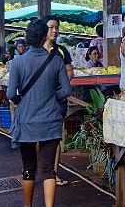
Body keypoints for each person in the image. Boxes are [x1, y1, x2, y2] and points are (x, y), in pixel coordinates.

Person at [7, 20, 73, 207]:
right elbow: (67, 90)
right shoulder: (56, 60)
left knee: (28, 169)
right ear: (45, 36)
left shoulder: (18, 62)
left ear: (27, 39)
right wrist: (52, 96)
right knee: (47, 171)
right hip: (50, 120)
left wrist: (23, 100)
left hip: (26, 120)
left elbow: (12, 94)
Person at [41, 15, 73, 187]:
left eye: (57, 27)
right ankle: (42, 171)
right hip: (39, 101)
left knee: (55, 136)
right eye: (51, 27)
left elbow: (70, 72)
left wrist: (59, 92)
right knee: (39, 136)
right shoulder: (36, 50)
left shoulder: (61, 51)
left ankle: (53, 174)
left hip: (57, 101)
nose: (54, 30)